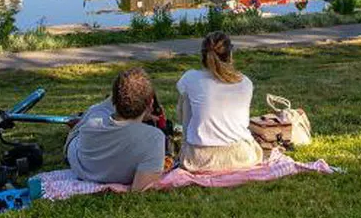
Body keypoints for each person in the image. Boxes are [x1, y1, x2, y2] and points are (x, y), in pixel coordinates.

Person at [64, 67, 166, 191]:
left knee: (94, 111)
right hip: (82, 141)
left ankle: (80, 120)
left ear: (113, 100)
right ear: (150, 103)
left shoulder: (93, 120)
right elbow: (142, 188)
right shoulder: (154, 138)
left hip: (79, 163)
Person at [176, 31, 263, 172]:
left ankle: (185, 146)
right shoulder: (246, 82)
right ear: (230, 55)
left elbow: (181, 116)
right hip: (241, 157)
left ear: (203, 55)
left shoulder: (190, 78)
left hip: (199, 160)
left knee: (186, 100)